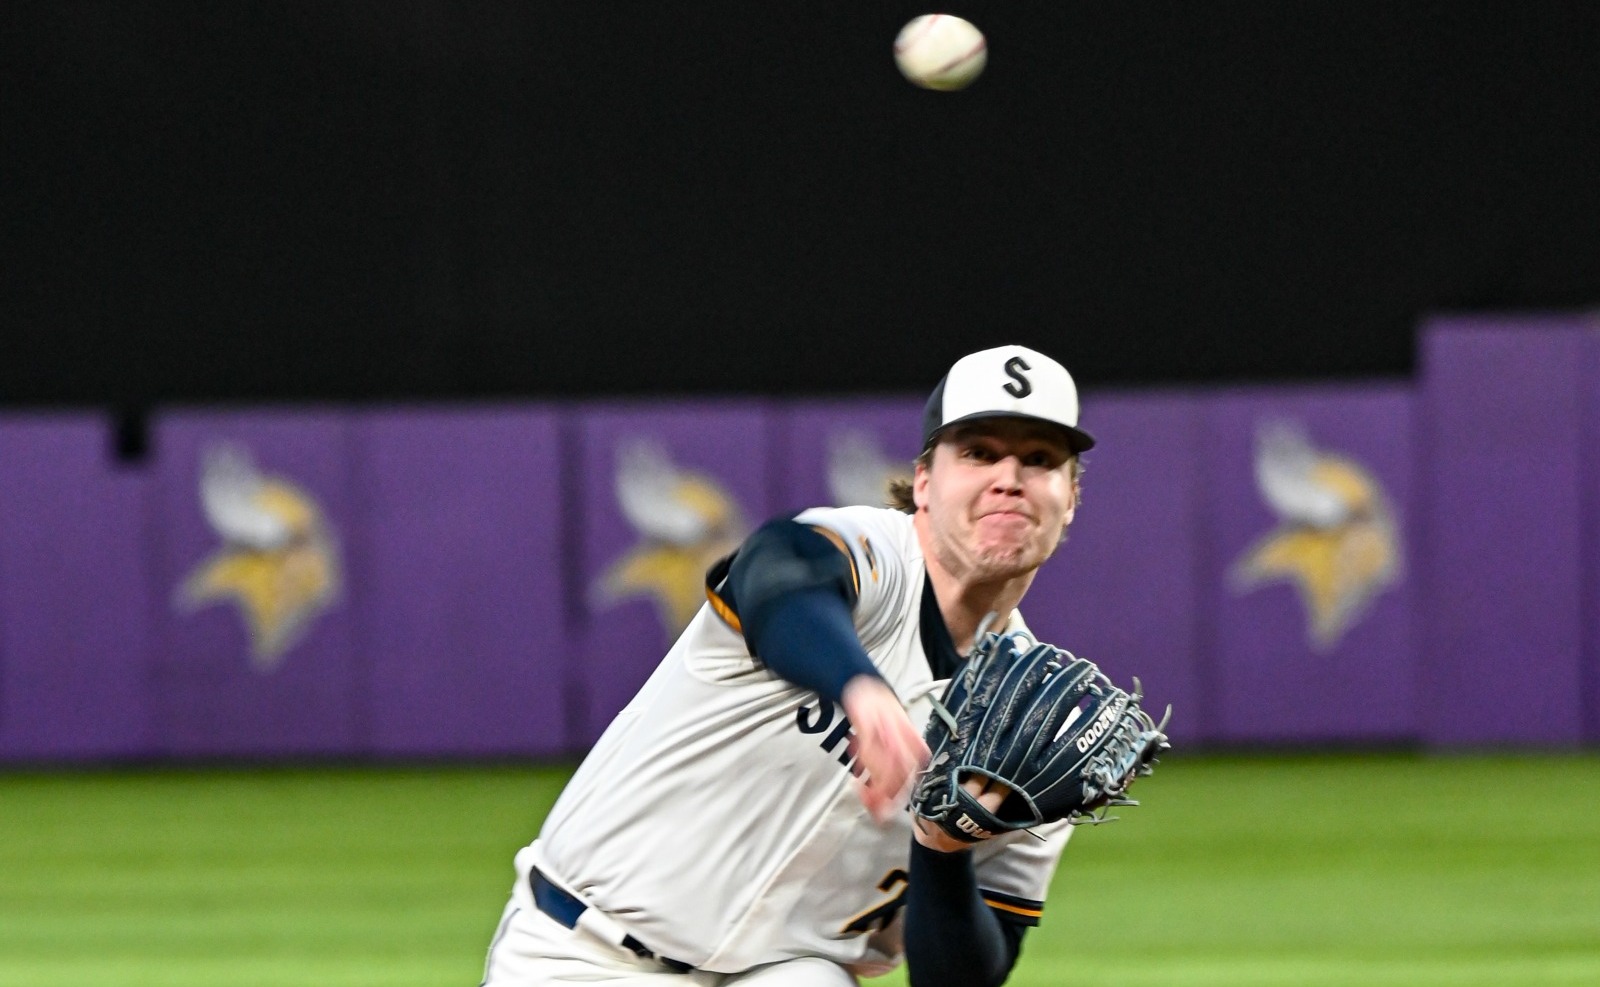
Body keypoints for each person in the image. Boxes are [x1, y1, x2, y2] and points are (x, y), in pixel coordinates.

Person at [481, 343, 1096, 986]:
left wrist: (944, 847)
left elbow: (962, 978)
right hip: (588, 952)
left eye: (1039, 460)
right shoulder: (873, 557)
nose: (1008, 477)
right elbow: (779, 572)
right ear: (923, 482)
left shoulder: (1033, 720)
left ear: (1071, 494)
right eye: (977, 453)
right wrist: (859, 689)